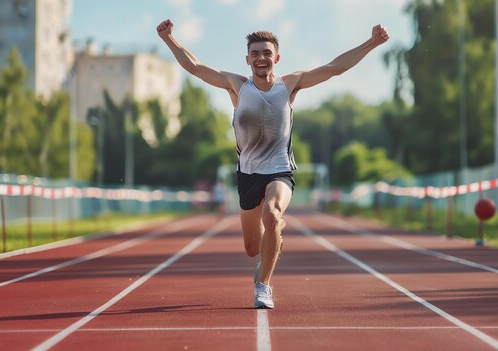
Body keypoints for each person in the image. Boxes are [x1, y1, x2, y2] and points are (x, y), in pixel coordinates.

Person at [156, 19, 389, 309]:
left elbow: (334, 68)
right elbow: (194, 67)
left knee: (273, 213)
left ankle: (263, 286)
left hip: (280, 170)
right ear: (248, 59)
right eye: (255, 53)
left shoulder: (289, 85)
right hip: (248, 175)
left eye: (267, 53)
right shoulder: (236, 86)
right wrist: (170, 40)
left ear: (276, 58)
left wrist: (372, 43)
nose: (261, 58)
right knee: (252, 248)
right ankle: (271, 243)